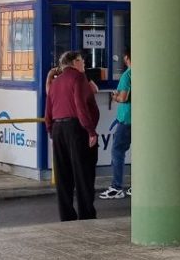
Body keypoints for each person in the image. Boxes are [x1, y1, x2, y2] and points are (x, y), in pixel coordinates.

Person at [44, 50, 99, 220]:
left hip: (58, 129)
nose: (84, 64)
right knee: (83, 173)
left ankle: (66, 215)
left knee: (63, 175)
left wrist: (51, 130)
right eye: (82, 61)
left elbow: (48, 109)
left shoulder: (55, 82)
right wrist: (90, 131)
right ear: (75, 62)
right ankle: (86, 213)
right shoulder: (78, 78)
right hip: (76, 128)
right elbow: (80, 106)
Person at [100, 49, 131, 200]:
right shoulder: (144, 73)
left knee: (117, 151)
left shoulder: (127, 75)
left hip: (126, 119)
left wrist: (115, 97)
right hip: (140, 119)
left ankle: (117, 187)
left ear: (126, 58)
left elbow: (124, 98)